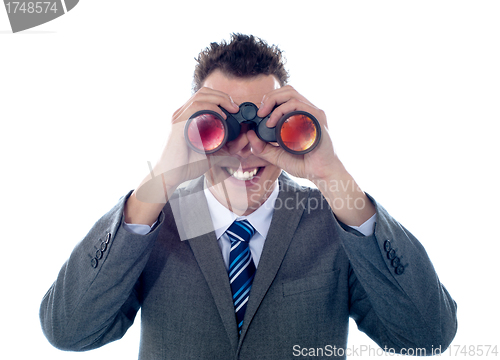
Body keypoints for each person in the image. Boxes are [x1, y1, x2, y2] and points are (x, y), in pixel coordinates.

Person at [40, 33, 457, 359]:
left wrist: (333, 177)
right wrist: (159, 182)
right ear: (192, 129)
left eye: (265, 125)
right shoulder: (156, 220)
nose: (247, 148)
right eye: (221, 128)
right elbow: (69, 330)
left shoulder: (333, 220)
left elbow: (427, 336)